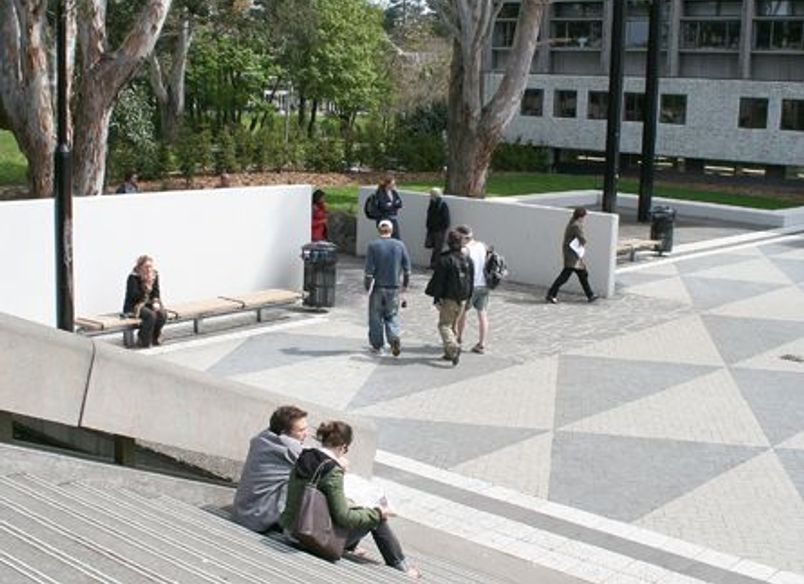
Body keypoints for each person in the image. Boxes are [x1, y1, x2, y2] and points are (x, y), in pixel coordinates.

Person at [280, 421, 420, 579]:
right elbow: (343, 517)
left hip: (290, 529)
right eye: (346, 449)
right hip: (309, 538)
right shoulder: (331, 471)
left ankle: (353, 548)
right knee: (376, 518)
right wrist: (379, 512)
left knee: (360, 509)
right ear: (343, 446)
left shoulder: (305, 455)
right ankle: (402, 569)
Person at [232, 405, 309, 533]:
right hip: (259, 519)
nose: (306, 434)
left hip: (241, 512)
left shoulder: (262, 438)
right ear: (284, 433)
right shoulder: (289, 448)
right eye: (301, 430)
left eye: (306, 428)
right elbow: (319, 467)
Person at [425, 230, 473, 366]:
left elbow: (439, 281)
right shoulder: (467, 260)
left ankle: (453, 347)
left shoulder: (445, 259)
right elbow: (471, 280)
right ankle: (448, 353)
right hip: (462, 298)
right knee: (452, 325)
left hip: (450, 298)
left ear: (448, 242)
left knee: (444, 325)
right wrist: (469, 297)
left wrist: (436, 297)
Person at [364, 219, 411, 356]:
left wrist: (367, 287)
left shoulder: (373, 245)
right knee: (392, 315)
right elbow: (407, 269)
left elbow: (369, 270)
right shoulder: (400, 245)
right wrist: (405, 286)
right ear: (391, 230)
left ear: (379, 230)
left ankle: (377, 346)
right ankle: (394, 338)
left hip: (379, 287)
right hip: (394, 287)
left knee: (375, 317)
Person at [546, 206, 598, 304]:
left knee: (583, 274)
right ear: (580, 217)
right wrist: (584, 242)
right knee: (565, 276)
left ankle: (590, 294)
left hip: (572, 254)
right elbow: (582, 239)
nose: (584, 219)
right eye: (584, 217)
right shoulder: (576, 225)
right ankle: (551, 294)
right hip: (572, 255)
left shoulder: (573, 222)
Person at [455, 225, 490, 355]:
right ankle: (482, 344)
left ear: (463, 237)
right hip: (484, 285)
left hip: (470, 286)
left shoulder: (465, 250)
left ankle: (458, 338)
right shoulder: (481, 245)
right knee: (482, 314)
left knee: (462, 313)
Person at [123, 255, 168, 348]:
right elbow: (134, 296)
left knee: (162, 314)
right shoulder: (133, 278)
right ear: (140, 267)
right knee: (150, 315)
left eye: (150, 266)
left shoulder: (154, 276)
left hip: (149, 304)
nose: (149, 269)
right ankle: (144, 339)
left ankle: (155, 336)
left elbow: (156, 292)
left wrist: (155, 302)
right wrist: (146, 289)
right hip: (135, 306)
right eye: (146, 267)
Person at [425, 187, 450, 269]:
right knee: (434, 248)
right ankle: (433, 264)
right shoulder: (432, 203)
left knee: (438, 248)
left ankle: (436, 265)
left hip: (439, 230)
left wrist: (439, 228)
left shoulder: (442, 204)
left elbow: (446, 219)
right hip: (433, 229)